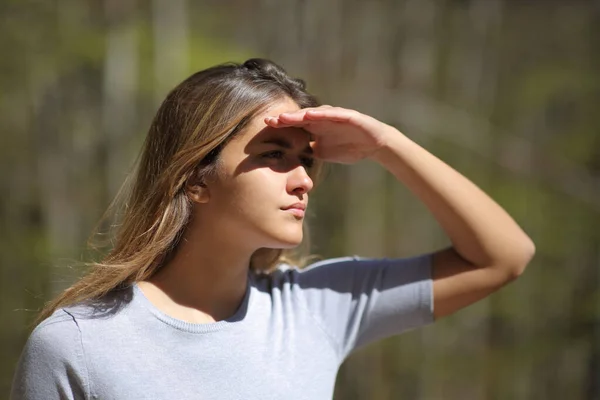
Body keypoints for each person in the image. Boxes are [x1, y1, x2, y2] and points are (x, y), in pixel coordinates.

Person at [10, 58, 535, 400]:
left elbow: (503, 257)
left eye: (306, 160)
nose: (304, 179)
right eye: (275, 156)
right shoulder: (76, 346)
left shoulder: (315, 306)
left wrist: (387, 146)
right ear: (195, 179)